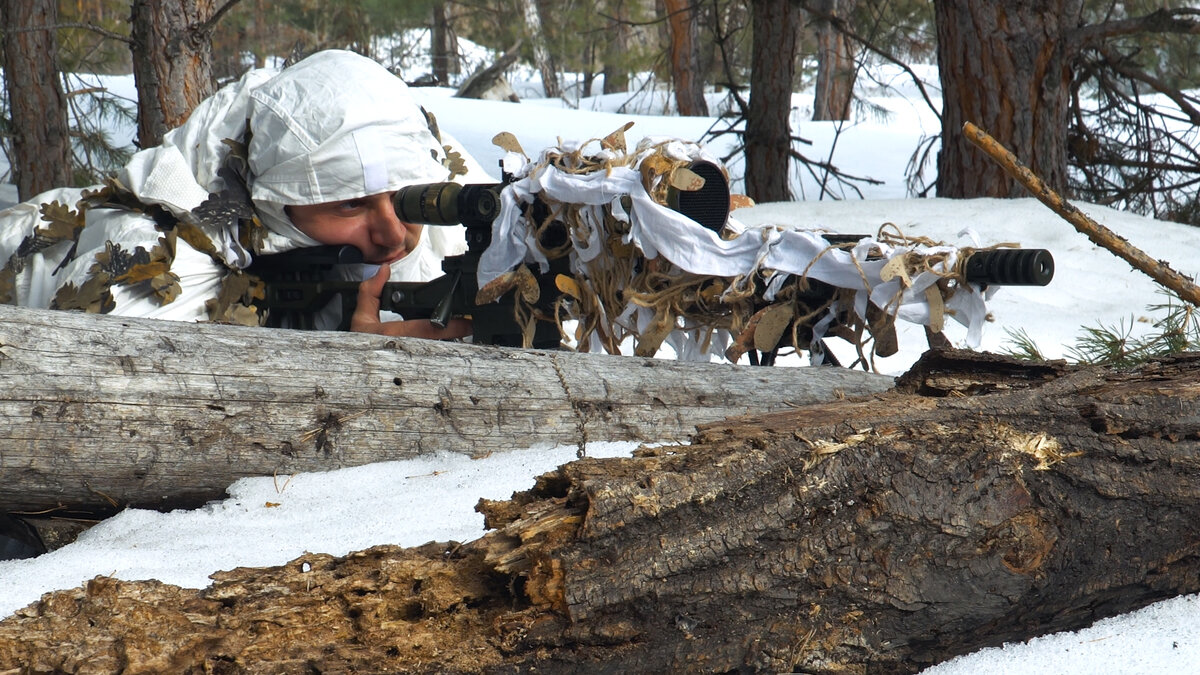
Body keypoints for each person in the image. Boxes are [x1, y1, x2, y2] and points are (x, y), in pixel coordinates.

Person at [0, 49, 482, 337]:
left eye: (405, 198)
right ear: (277, 201)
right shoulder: (152, 267)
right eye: (351, 204)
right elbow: (108, 423)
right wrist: (357, 371)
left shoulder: (428, 163)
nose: (395, 234)